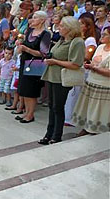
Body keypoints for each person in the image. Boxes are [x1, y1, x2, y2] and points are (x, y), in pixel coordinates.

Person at [39, 16, 85, 144]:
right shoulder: (61, 39)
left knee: (58, 107)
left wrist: (54, 61)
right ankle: (49, 133)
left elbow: (76, 64)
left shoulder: (77, 42)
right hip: (52, 75)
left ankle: (56, 135)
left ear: (70, 28)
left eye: (62, 26)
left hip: (62, 78)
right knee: (51, 106)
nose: (59, 28)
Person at [72, 27, 110, 134]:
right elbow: (94, 61)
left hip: (104, 85)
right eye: (102, 34)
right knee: (88, 106)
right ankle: (86, 126)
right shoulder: (100, 47)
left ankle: (96, 129)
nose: (102, 36)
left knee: (99, 110)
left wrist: (95, 68)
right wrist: (89, 64)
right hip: (92, 81)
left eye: (105, 35)